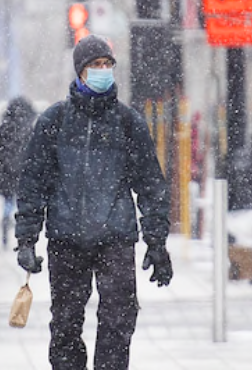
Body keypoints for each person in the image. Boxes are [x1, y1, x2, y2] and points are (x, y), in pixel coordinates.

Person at [15, 34, 173, 370]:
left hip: (115, 238)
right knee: (65, 325)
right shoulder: (54, 122)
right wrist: (26, 240)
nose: (103, 71)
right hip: (66, 239)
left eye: (107, 65)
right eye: (95, 65)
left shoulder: (127, 123)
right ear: (80, 71)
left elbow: (150, 184)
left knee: (118, 320)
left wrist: (157, 242)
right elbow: (32, 184)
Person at [0, 96, 36, 249]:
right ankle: (22, 236)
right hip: (24, 173)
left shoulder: (4, 128)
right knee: (23, 206)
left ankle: (6, 226)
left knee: (8, 203)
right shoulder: (30, 129)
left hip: (7, 173)